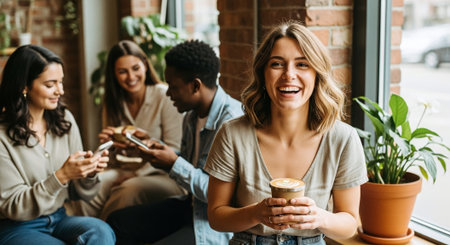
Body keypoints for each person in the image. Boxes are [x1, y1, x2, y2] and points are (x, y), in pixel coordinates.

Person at [204, 21, 368, 244]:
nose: (288, 75)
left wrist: (319, 217)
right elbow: (216, 217)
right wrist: (255, 213)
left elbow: (349, 224)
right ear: (263, 74)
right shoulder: (232, 134)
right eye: (277, 64)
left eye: (302, 64)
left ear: (317, 74)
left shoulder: (343, 139)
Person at [106, 40, 243, 245]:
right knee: (117, 223)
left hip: (212, 223)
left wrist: (172, 164)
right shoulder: (191, 117)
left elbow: (219, 195)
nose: (168, 93)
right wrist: (156, 149)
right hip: (190, 206)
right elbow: (191, 165)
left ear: (196, 85)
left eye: (173, 87)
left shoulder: (231, 122)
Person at [0, 45, 115, 244]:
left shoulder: (64, 121)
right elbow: (12, 205)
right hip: (16, 226)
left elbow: (79, 193)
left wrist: (89, 173)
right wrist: (62, 175)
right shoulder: (2, 136)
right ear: (24, 86)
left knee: (101, 231)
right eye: (50, 84)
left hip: (59, 218)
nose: (60, 91)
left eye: (60, 82)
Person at [73, 40, 185, 220]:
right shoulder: (113, 103)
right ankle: (89, 233)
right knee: (89, 188)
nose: (131, 77)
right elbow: (113, 161)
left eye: (135, 68)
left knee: (128, 189)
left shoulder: (164, 96)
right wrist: (108, 147)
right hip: (124, 170)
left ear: (146, 66)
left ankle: (105, 235)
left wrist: (136, 174)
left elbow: (174, 150)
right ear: (114, 75)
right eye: (122, 72)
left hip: (166, 176)